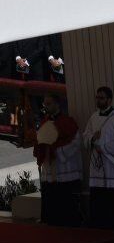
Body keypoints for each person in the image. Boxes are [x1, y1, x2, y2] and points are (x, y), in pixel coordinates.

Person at [81, 86, 114, 230]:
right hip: (97, 165)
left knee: (113, 197)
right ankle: (99, 225)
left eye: (102, 98)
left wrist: (102, 146)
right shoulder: (94, 116)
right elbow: (86, 136)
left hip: (111, 165)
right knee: (98, 196)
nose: (98, 100)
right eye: (97, 98)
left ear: (110, 100)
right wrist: (92, 139)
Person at [34, 95, 81, 227]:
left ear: (57, 104)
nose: (46, 107)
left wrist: (59, 152)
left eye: (48, 104)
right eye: (44, 104)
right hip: (49, 167)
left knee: (65, 203)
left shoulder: (67, 122)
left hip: (64, 168)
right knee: (51, 199)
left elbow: (76, 142)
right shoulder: (44, 123)